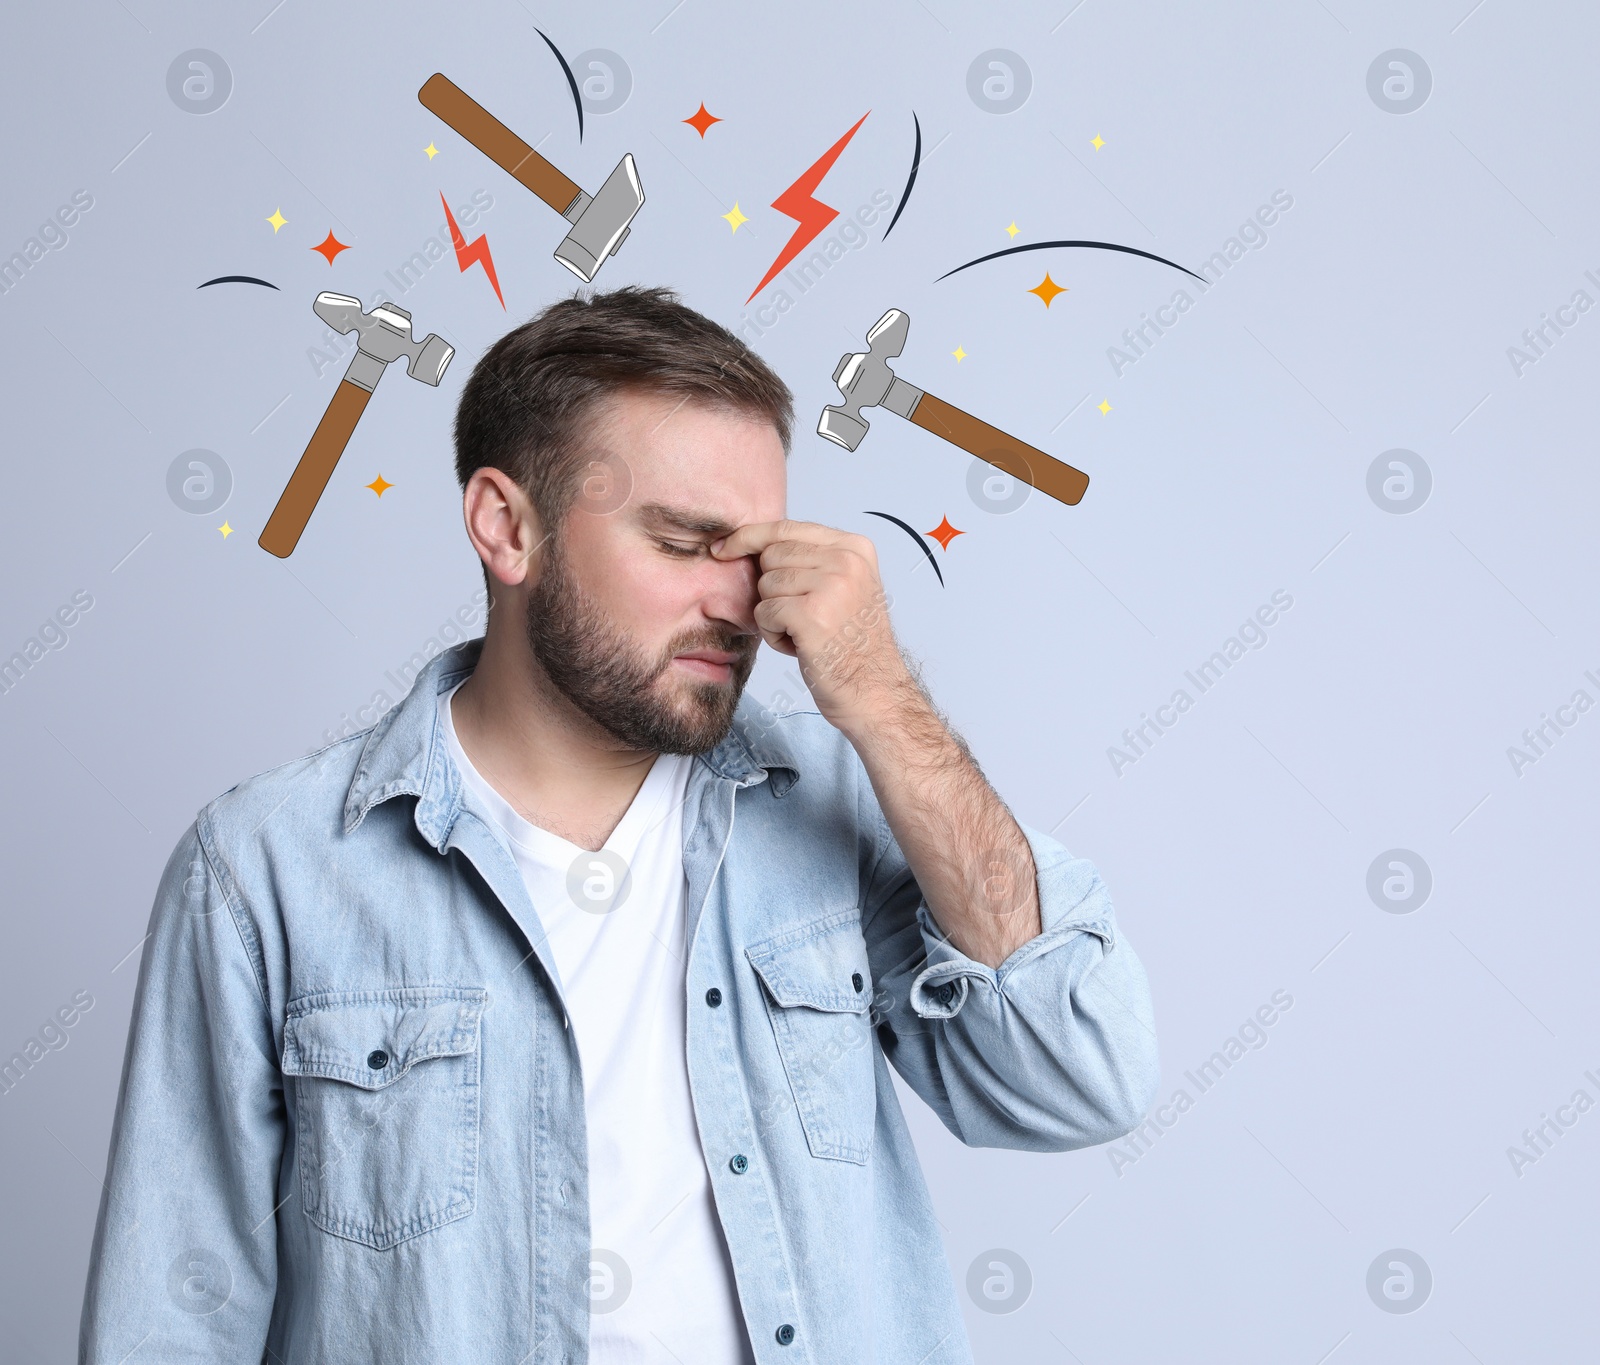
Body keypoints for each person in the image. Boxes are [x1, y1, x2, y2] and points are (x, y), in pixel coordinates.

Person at [80, 285, 1159, 1363]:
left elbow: (1080, 1075)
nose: (739, 607)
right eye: (685, 543)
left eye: (756, 557)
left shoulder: (838, 800)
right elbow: (173, 1313)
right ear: (508, 528)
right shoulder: (268, 868)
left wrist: (881, 698)